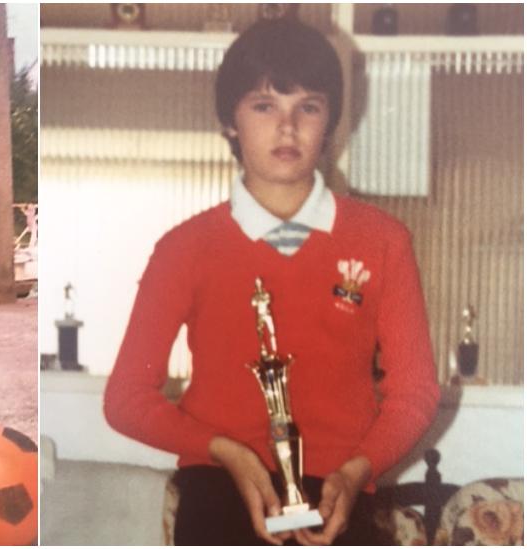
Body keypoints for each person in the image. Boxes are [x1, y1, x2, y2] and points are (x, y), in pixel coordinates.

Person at [103, 18, 440, 546]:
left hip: (343, 499)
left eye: (308, 106)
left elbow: (416, 394)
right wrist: (225, 451)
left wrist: (357, 472)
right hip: (218, 494)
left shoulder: (384, 242)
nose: (288, 128)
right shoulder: (184, 248)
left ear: (330, 122)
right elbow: (124, 398)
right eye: (265, 106)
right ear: (230, 121)